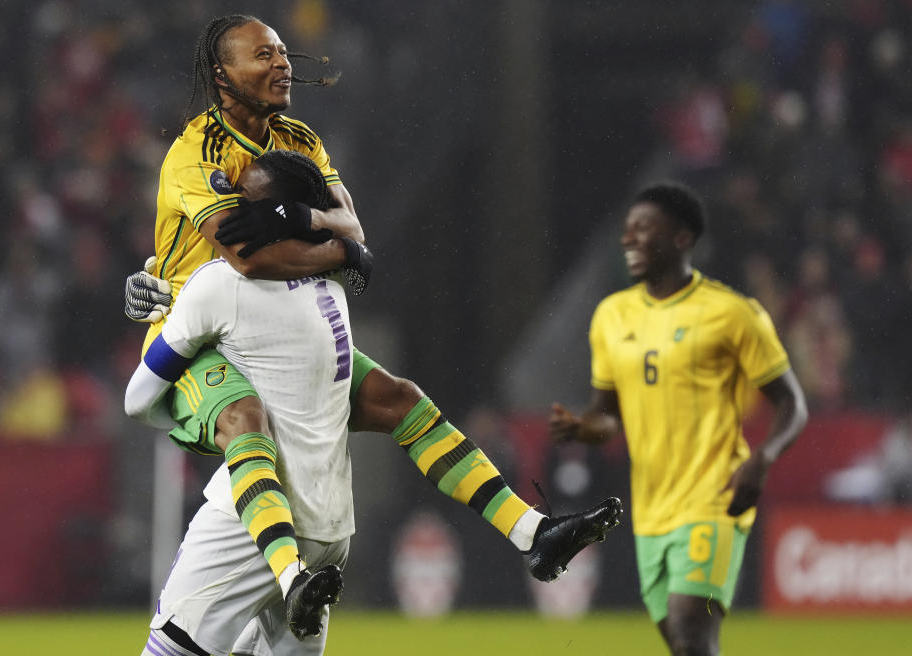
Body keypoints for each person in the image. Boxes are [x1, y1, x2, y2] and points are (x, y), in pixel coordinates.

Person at [125, 13, 623, 655]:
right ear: (223, 76)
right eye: (262, 55)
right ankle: (288, 574)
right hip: (201, 341)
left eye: (282, 52)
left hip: (286, 317)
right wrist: (333, 250)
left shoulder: (299, 137)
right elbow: (248, 254)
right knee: (246, 417)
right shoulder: (197, 153)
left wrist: (313, 228)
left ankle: (531, 532)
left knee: (400, 398)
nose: (282, 63)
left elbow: (352, 225)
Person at [550, 182, 808, 656]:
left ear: (682, 238)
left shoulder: (732, 314)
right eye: (626, 230)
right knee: (685, 645)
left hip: (715, 497)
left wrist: (763, 459)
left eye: (644, 228)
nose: (629, 239)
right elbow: (609, 417)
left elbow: (793, 402)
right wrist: (584, 428)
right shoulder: (612, 316)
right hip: (650, 511)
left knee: (693, 629)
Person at [127, 149, 355, 655]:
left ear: (273, 216)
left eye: (243, 200)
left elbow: (136, 400)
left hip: (252, 515)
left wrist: (202, 418)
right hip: (331, 527)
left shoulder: (218, 286)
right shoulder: (332, 289)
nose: (227, 210)